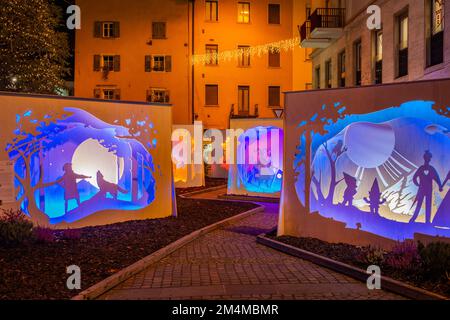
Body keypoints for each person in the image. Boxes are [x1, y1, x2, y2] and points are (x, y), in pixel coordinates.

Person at [410, 151, 442, 224]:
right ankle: (413, 218)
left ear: (429, 159)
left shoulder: (431, 169)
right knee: (419, 204)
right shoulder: (421, 168)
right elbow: (414, 178)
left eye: (428, 158)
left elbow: (437, 178)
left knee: (428, 205)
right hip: (421, 190)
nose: (427, 159)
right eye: (426, 158)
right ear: (425, 158)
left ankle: (427, 221)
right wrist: (418, 184)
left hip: (428, 190)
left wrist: (440, 186)